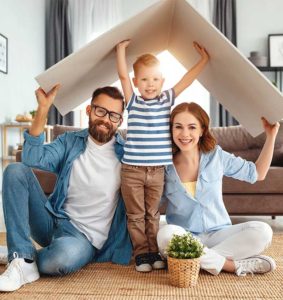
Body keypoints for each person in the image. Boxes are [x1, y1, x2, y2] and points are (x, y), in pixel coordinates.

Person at [0, 85, 132, 292]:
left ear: (120, 121)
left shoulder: (127, 155)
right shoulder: (70, 141)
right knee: (15, 171)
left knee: (58, 261)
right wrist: (43, 108)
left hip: (83, 238)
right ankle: (21, 259)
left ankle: (21, 254)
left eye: (114, 115)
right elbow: (31, 158)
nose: (106, 119)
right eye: (101, 111)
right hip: (52, 220)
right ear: (89, 111)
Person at [116, 39, 209, 272]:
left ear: (162, 81)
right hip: (132, 171)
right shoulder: (133, 101)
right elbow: (123, 77)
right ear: (137, 82)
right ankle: (141, 255)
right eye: (145, 79)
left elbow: (186, 81)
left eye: (155, 79)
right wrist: (121, 51)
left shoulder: (166, 100)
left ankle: (154, 252)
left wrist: (203, 60)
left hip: (158, 171)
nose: (150, 84)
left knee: (153, 214)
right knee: (136, 215)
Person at [157, 102, 279, 276]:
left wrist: (271, 135)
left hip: (220, 234)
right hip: (186, 236)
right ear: (171, 130)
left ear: (202, 130)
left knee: (263, 231)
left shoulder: (216, 156)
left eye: (192, 127)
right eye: (178, 127)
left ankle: (190, 261)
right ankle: (233, 266)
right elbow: (151, 205)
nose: (184, 134)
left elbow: (257, 173)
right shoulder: (164, 166)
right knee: (165, 234)